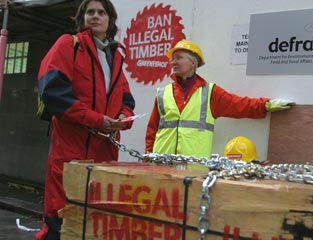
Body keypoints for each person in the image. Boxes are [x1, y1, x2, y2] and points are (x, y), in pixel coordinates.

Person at [35, 0, 135, 239]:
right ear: (82, 18)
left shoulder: (116, 57)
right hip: (70, 153)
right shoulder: (68, 45)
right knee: (61, 222)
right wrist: (96, 119)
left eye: (101, 12)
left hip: (105, 156)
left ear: (110, 20)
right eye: (90, 12)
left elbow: (126, 99)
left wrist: (125, 118)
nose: (95, 16)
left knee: (95, 224)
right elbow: (53, 93)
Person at [145, 40, 294, 159]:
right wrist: (148, 157)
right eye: (173, 59)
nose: (173, 62)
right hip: (161, 164)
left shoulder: (210, 93)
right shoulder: (163, 93)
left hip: (193, 168)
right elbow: (152, 130)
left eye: (179, 58)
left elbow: (238, 105)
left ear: (193, 63)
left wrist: (265, 105)